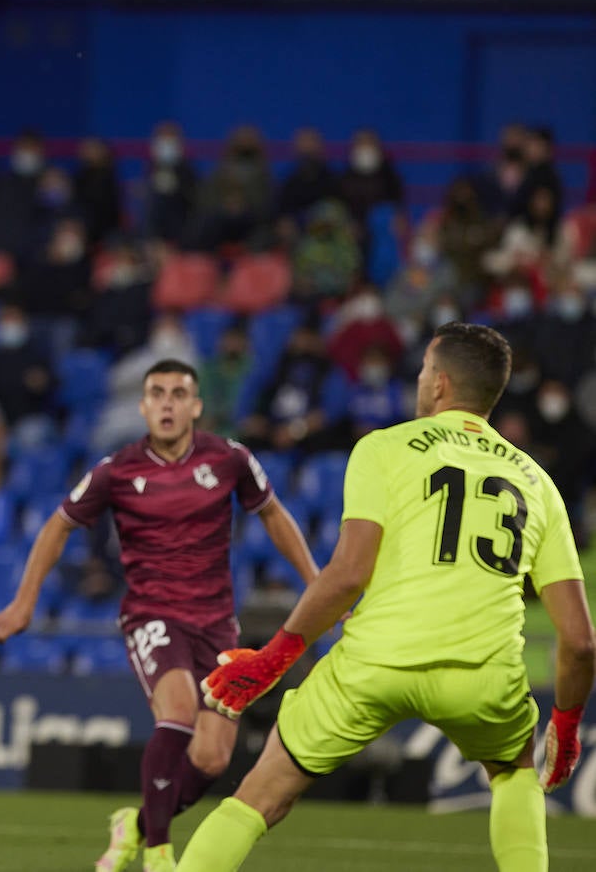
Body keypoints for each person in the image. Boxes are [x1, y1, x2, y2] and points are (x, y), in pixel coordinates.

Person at [180, 322, 595, 872]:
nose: (420, 379)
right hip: (481, 673)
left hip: (377, 662)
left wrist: (272, 658)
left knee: (262, 793)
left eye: (424, 369)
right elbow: (580, 641)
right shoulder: (538, 482)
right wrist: (565, 727)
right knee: (515, 772)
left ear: (441, 383)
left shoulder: (384, 447)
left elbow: (349, 573)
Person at [0, 359, 319, 872]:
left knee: (212, 758)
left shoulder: (229, 458)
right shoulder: (117, 469)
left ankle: (135, 825)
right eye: (157, 393)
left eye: (178, 393)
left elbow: (273, 514)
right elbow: (58, 526)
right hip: (151, 615)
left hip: (216, 622)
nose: (167, 402)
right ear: (143, 407)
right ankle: (159, 853)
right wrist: (25, 601)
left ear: (196, 405)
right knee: (179, 712)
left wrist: (316, 581)